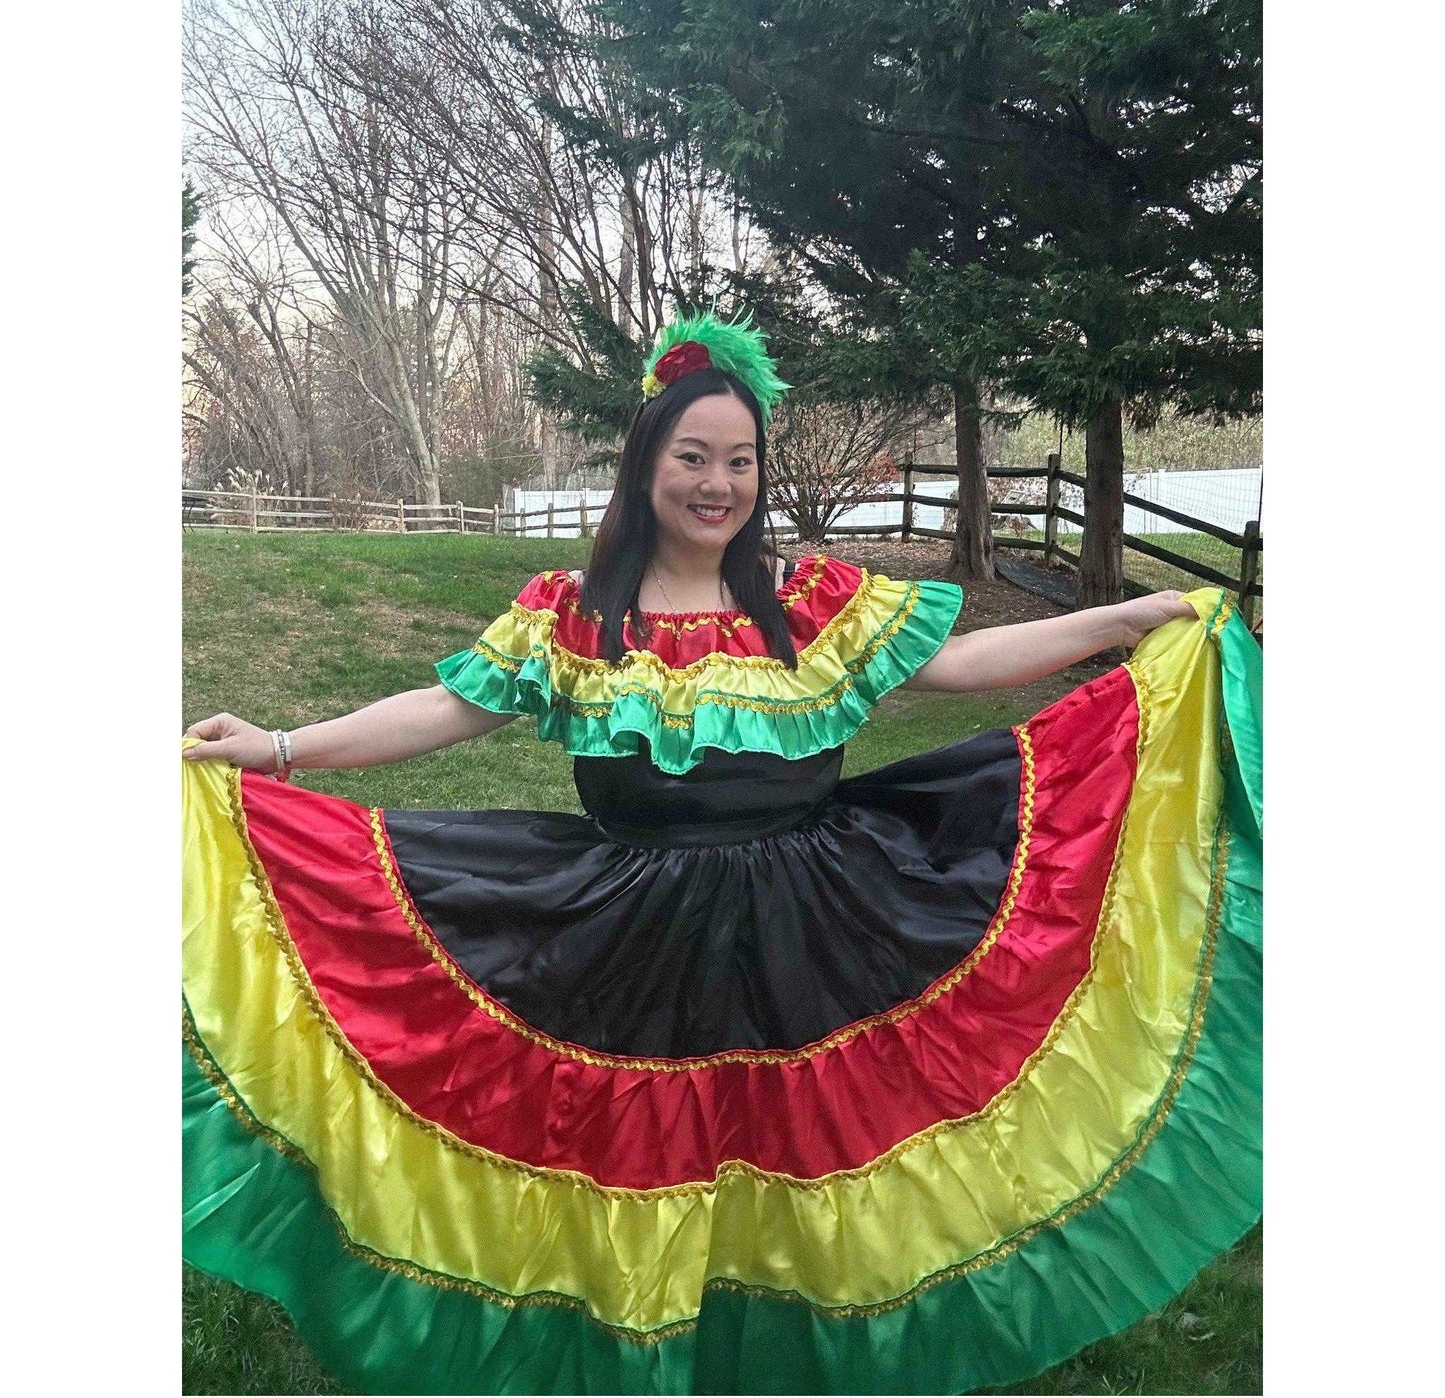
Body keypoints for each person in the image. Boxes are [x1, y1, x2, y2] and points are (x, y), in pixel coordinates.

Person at [182, 310, 1262, 1395]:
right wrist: (280, 748)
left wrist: (1124, 621)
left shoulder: (805, 598)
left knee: (811, 1144)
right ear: (646, 461)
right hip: (629, 940)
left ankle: (822, 1348)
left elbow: (961, 659)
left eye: (739, 460)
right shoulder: (574, 613)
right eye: (691, 456)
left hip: (820, 926)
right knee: (649, 1150)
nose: (717, 483)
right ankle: (646, 1343)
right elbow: (447, 707)